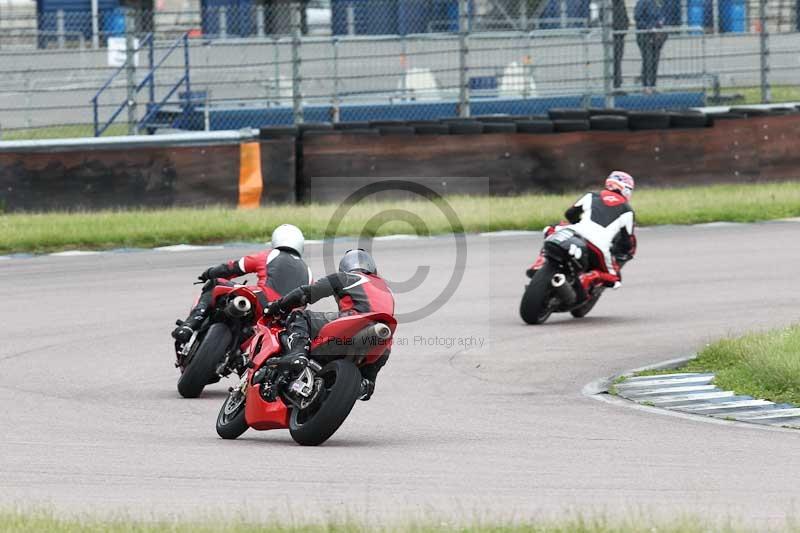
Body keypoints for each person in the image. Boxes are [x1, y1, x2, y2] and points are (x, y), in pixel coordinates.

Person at [264, 249, 395, 401]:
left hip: (355, 320)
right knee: (368, 382)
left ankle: (297, 353)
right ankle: (365, 385)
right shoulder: (387, 289)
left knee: (301, 316)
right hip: (383, 343)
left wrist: (277, 306)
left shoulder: (348, 277)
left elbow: (307, 292)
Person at [171, 224, 312, 342]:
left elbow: (232, 268)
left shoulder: (269, 255)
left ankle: (190, 325)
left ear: (275, 240)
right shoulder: (309, 272)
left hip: (261, 301)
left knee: (216, 284)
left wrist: (208, 274)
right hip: (282, 321)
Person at [562, 171, 637, 285]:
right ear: (626, 190)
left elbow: (569, 214)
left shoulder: (591, 195)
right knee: (614, 279)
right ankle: (591, 276)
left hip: (576, 234)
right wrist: (620, 251)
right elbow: (626, 241)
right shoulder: (628, 210)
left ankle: (541, 261)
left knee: (553, 229)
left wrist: (579, 224)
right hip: (599, 246)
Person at [634, 0, 667, 90]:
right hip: (644, 35)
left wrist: (660, 23)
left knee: (655, 60)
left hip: (656, 35)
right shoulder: (642, 2)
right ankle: (645, 85)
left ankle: (653, 85)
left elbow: (662, 16)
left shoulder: (657, 3)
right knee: (647, 59)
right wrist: (649, 27)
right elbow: (637, 18)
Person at [612, 0, 630, 89]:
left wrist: (625, 29)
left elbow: (626, 17)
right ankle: (615, 84)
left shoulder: (621, 2)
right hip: (612, 37)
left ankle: (618, 83)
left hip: (620, 36)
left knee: (618, 60)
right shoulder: (607, 4)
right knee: (614, 61)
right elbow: (602, 17)